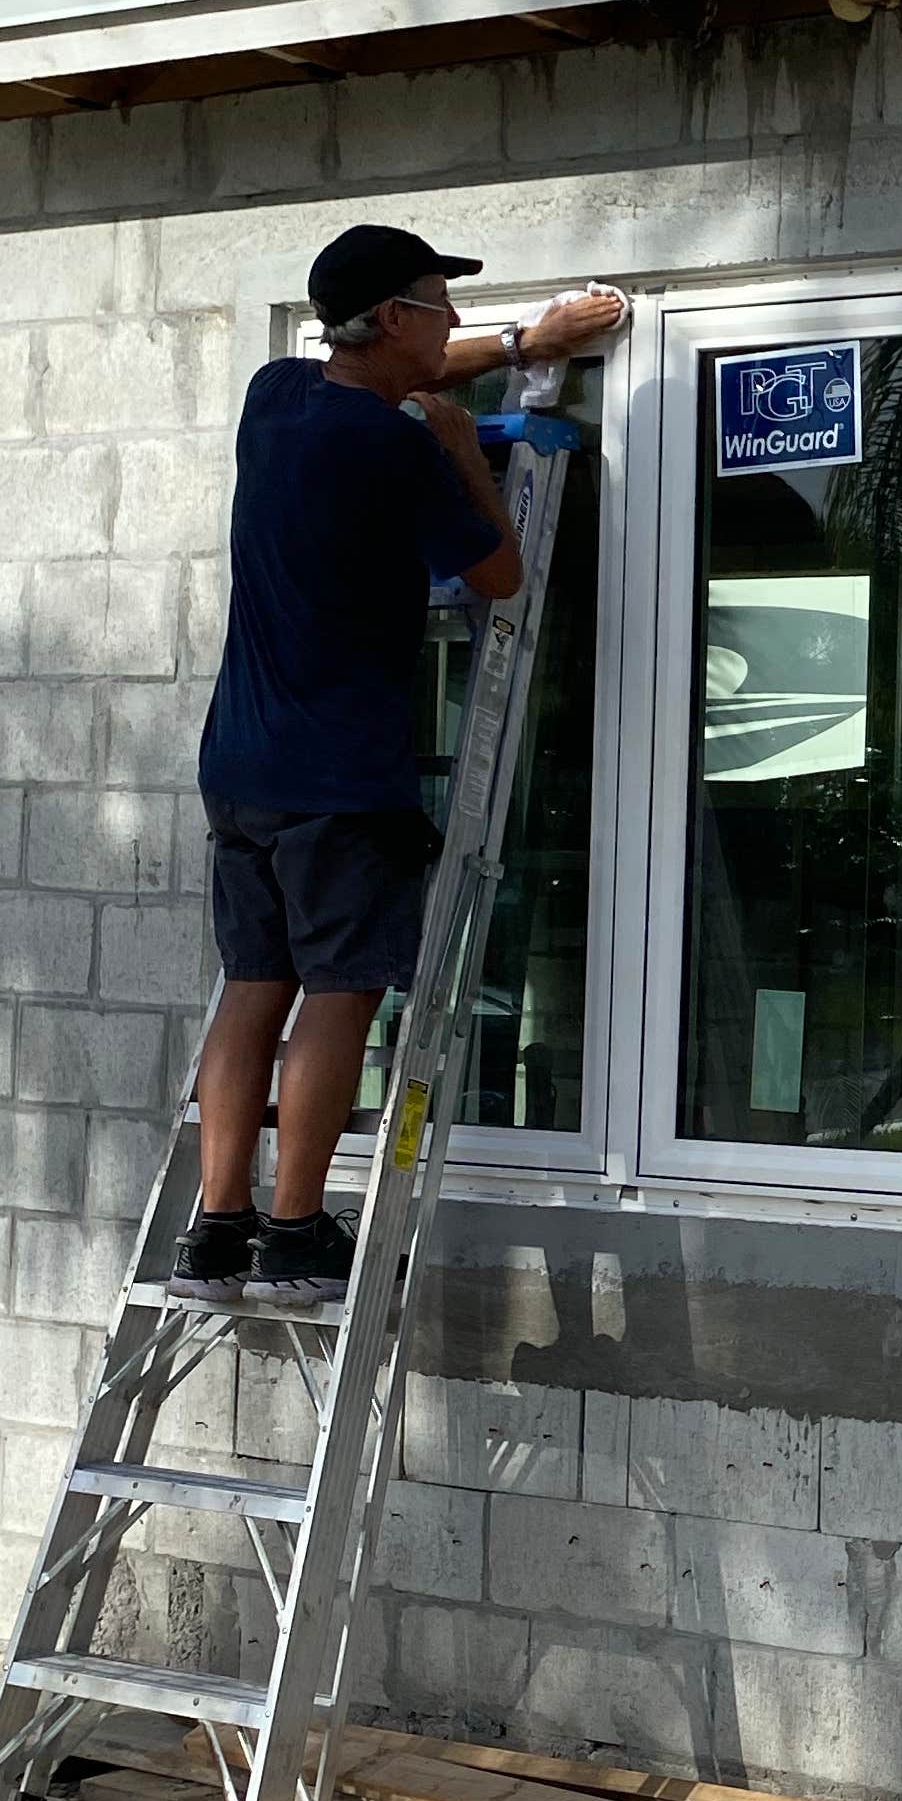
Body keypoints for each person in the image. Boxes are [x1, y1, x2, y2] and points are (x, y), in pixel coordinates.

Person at [171, 226, 628, 1305]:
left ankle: (221, 1224)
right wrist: (468, 457)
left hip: (243, 767)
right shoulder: (395, 452)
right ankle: (295, 1232)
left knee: (253, 985)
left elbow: (407, 373)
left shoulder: (276, 398)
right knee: (340, 992)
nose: (453, 323)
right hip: (340, 780)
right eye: (437, 303)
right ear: (388, 319)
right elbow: (502, 574)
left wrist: (527, 340)